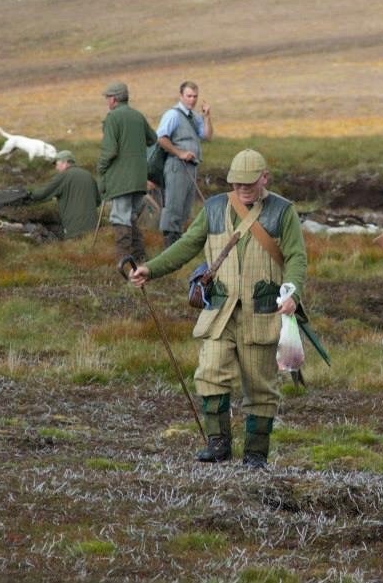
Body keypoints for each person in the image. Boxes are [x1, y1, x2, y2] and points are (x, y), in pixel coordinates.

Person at [129, 149, 306, 469]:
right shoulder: (213, 209)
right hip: (220, 313)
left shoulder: (283, 212)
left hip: (263, 314)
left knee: (261, 387)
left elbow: (296, 257)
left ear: (264, 178)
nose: (242, 189)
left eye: (249, 184)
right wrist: (150, 269)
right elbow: (187, 245)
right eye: (237, 184)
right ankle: (218, 444)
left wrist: (291, 291)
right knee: (209, 373)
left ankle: (255, 454)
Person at [98, 81, 157, 262]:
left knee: (120, 218)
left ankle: (124, 262)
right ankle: (140, 259)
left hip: (121, 179)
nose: (107, 101)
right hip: (139, 179)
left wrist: (101, 168)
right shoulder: (138, 116)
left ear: (114, 99)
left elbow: (110, 151)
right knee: (131, 218)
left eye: (108, 98)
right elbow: (152, 138)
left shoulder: (112, 118)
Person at [154, 81, 213, 248]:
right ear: (181, 96)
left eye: (195, 96)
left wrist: (207, 116)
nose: (192, 100)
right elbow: (161, 138)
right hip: (176, 165)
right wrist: (180, 153)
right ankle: (169, 246)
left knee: (185, 207)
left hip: (191, 166)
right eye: (189, 96)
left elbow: (207, 136)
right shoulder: (172, 114)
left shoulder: (194, 116)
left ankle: (177, 245)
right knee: (174, 205)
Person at [26, 150, 101, 239]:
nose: (56, 168)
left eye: (57, 164)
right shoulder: (88, 175)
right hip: (94, 230)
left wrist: (27, 195)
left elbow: (42, 194)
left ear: (65, 162)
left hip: (73, 230)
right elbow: (98, 201)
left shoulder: (63, 176)